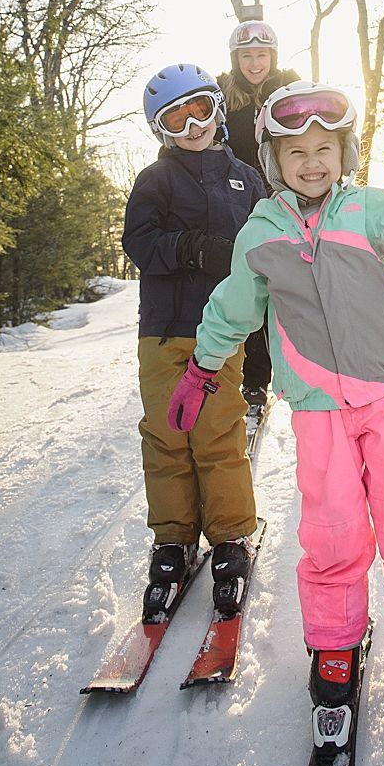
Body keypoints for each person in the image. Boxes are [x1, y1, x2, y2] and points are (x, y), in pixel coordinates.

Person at [166, 80, 384, 759]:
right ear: (275, 162)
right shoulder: (261, 232)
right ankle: (334, 645)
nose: (311, 162)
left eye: (324, 149)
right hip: (317, 413)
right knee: (330, 531)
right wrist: (204, 366)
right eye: (296, 152)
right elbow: (234, 307)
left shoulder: (365, 210)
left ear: (343, 152)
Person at [122, 63, 266, 624]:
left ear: (216, 110)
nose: (193, 126)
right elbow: (139, 240)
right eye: (176, 120)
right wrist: (191, 248)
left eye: (201, 110)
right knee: (165, 434)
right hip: (162, 328)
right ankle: (174, 540)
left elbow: (264, 239)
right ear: (161, 131)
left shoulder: (245, 178)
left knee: (218, 429)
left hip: (220, 330)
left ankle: (230, 536)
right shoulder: (155, 181)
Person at [217, 20, 300, 421]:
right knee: (248, 289)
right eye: (246, 56)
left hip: (283, 199)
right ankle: (253, 381)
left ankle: (301, 367)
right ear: (236, 59)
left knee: (288, 290)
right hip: (238, 203)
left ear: (273, 56)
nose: (255, 63)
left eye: (262, 55)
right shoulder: (221, 95)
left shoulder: (290, 88)